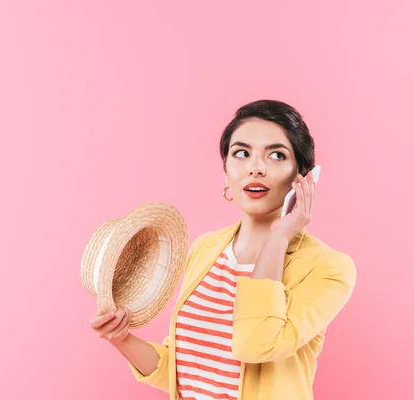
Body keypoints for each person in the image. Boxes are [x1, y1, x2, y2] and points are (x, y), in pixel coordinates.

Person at [90, 99, 357, 399]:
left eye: (276, 155)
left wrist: (278, 239)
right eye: (241, 153)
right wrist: (121, 338)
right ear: (226, 170)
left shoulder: (329, 269)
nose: (255, 168)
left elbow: (256, 343)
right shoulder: (206, 248)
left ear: (302, 178)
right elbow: (185, 371)